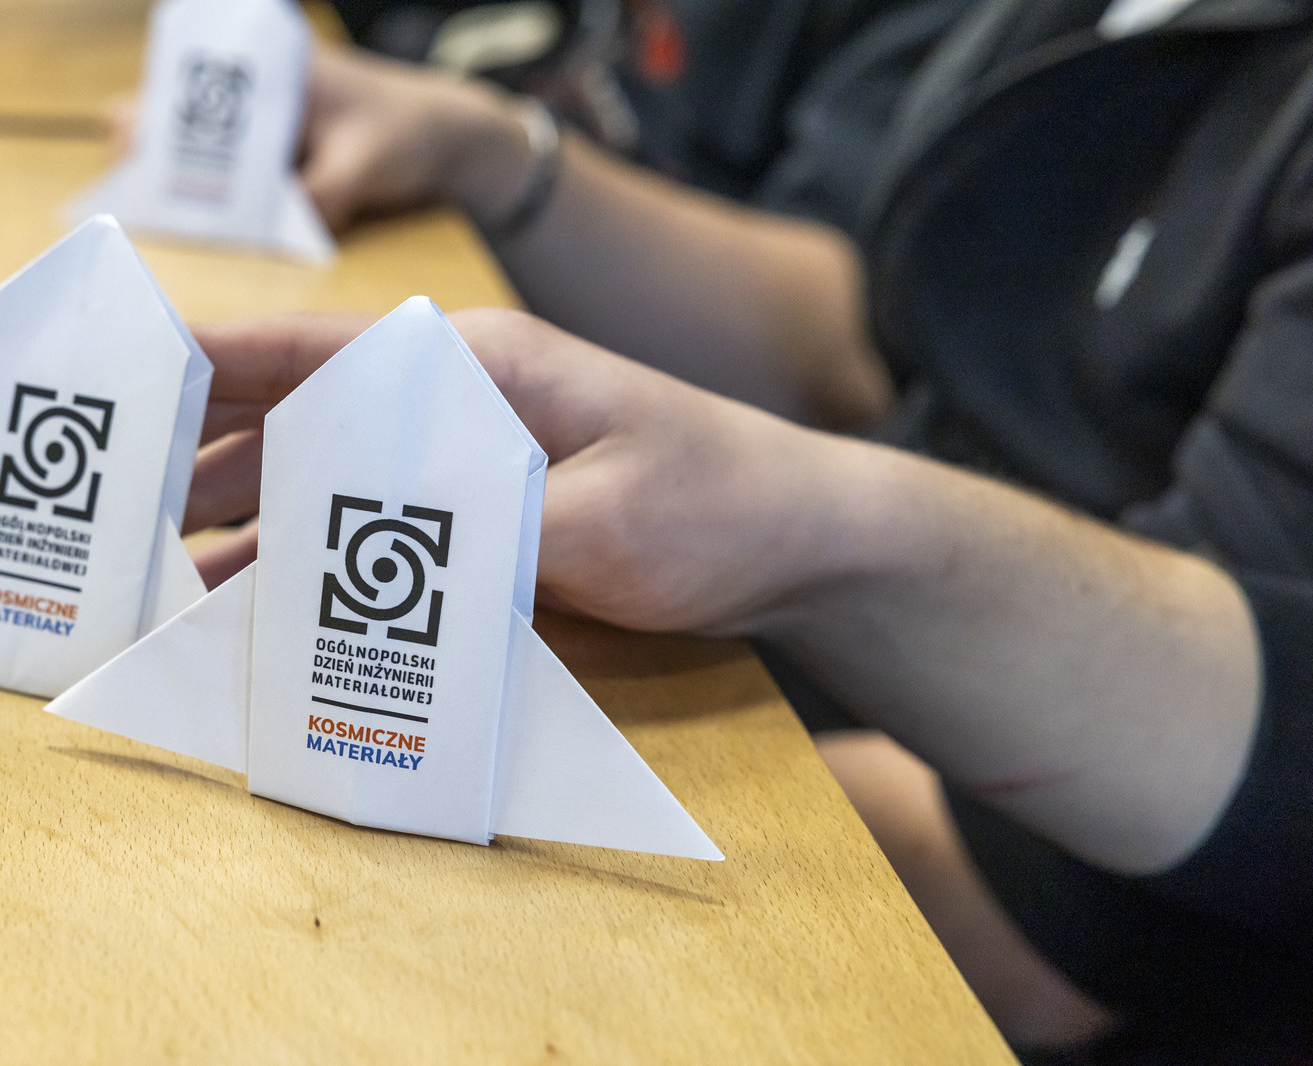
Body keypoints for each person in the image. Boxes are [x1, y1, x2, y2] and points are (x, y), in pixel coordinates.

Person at [182, 0, 1313, 1060]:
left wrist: (454, 742)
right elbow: (861, 339)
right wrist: (500, 156)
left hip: (942, 887)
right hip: (802, 684)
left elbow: (1098, 911)